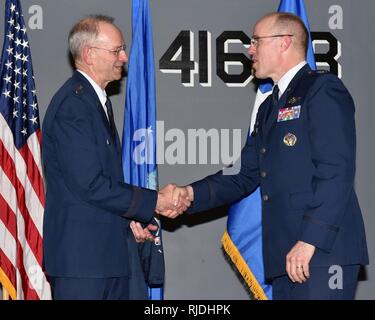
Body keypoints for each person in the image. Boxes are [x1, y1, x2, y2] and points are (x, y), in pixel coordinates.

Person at [162, 12, 369, 300]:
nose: (249, 49)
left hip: (321, 253)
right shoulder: (269, 108)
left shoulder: (321, 89)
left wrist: (309, 240)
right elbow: (242, 174)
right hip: (285, 256)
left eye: (257, 41)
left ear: (284, 42)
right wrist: (189, 194)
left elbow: (336, 171)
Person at [42, 15, 190, 300]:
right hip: (83, 262)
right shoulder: (74, 106)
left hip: (105, 256)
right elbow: (91, 184)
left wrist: (131, 220)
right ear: (89, 54)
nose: (124, 57)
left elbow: (103, 185)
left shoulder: (94, 101)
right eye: (117, 50)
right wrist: (154, 201)